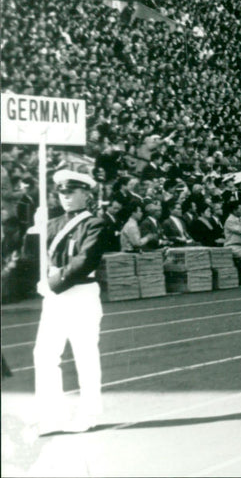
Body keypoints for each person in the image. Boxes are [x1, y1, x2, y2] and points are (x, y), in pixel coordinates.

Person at [33, 169, 111, 435]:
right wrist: (34, 228)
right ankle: (51, 416)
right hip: (55, 297)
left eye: (72, 192)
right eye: (62, 193)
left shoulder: (95, 224)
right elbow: (32, 257)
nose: (66, 197)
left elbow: (85, 260)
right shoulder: (52, 224)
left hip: (81, 294)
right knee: (44, 355)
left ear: (86, 194)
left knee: (84, 354)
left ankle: (88, 414)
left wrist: (53, 283)